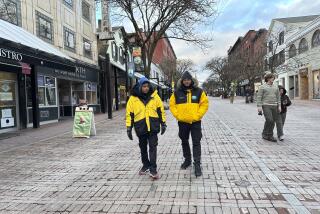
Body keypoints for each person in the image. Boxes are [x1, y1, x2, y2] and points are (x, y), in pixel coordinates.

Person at [169, 71, 209, 177]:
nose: (187, 81)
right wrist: (178, 116)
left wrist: (198, 115)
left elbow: (204, 104)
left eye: (188, 79)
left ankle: (197, 164)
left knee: (196, 142)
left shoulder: (199, 91)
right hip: (183, 122)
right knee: (184, 141)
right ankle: (187, 160)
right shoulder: (177, 92)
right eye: (185, 80)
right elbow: (172, 105)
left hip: (195, 122)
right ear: (182, 81)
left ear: (191, 80)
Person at [126, 77, 166, 180]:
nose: (146, 88)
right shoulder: (133, 99)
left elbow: (161, 111)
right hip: (140, 126)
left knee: (153, 148)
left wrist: (163, 123)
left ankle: (153, 169)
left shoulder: (155, 96)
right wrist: (129, 128)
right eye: (144, 86)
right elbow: (129, 114)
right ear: (140, 87)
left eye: (147, 86)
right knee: (143, 148)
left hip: (153, 126)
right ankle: (146, 164)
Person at [257, 73, 282, 142]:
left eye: (273, 78)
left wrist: (279, 106)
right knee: (269, 120)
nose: (273, 79)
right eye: (272, 78)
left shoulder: (275, 86)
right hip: (266, 105)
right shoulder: (262, 87)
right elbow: (259, 97)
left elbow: (278, 97)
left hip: (274, 106)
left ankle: (265, 134)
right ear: (268, 79)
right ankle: (269, 135)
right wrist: (259, 106)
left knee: (272, 121)